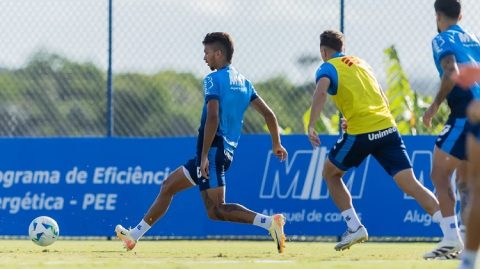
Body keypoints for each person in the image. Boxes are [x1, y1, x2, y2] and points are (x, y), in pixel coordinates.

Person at [115, 32, 288, 253]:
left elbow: (213, 117)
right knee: (169, 186)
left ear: (219, 53)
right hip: (220, 153)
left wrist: (204, 155)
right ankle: (134, 236)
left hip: (213, 152)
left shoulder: (213, 80)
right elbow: (269, 115)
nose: (204, 57)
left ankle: (269, 223)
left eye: (207, 52)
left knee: (216, 210)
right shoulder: (245, 83)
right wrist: (276, 143)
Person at [307, 30, 442, 252]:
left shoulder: (327, 67)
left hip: (361, 132)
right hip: (387, 128)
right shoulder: (362, 63)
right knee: (411, 184)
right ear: (343, 47)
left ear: (323, 51)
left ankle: (354, 227)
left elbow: (321, 92)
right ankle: (451, 232)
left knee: (330, 174)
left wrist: (312, 124)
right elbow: (383, 98)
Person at [422, 0, 480, 260]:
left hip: (464, 112)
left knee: (439, 173)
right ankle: (467, 240)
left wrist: (434, 105)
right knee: (464, 179)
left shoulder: (442, 39)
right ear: (461, 15)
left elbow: (450, 71)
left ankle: (449, 238)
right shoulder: (474, 39)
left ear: (437, 16)